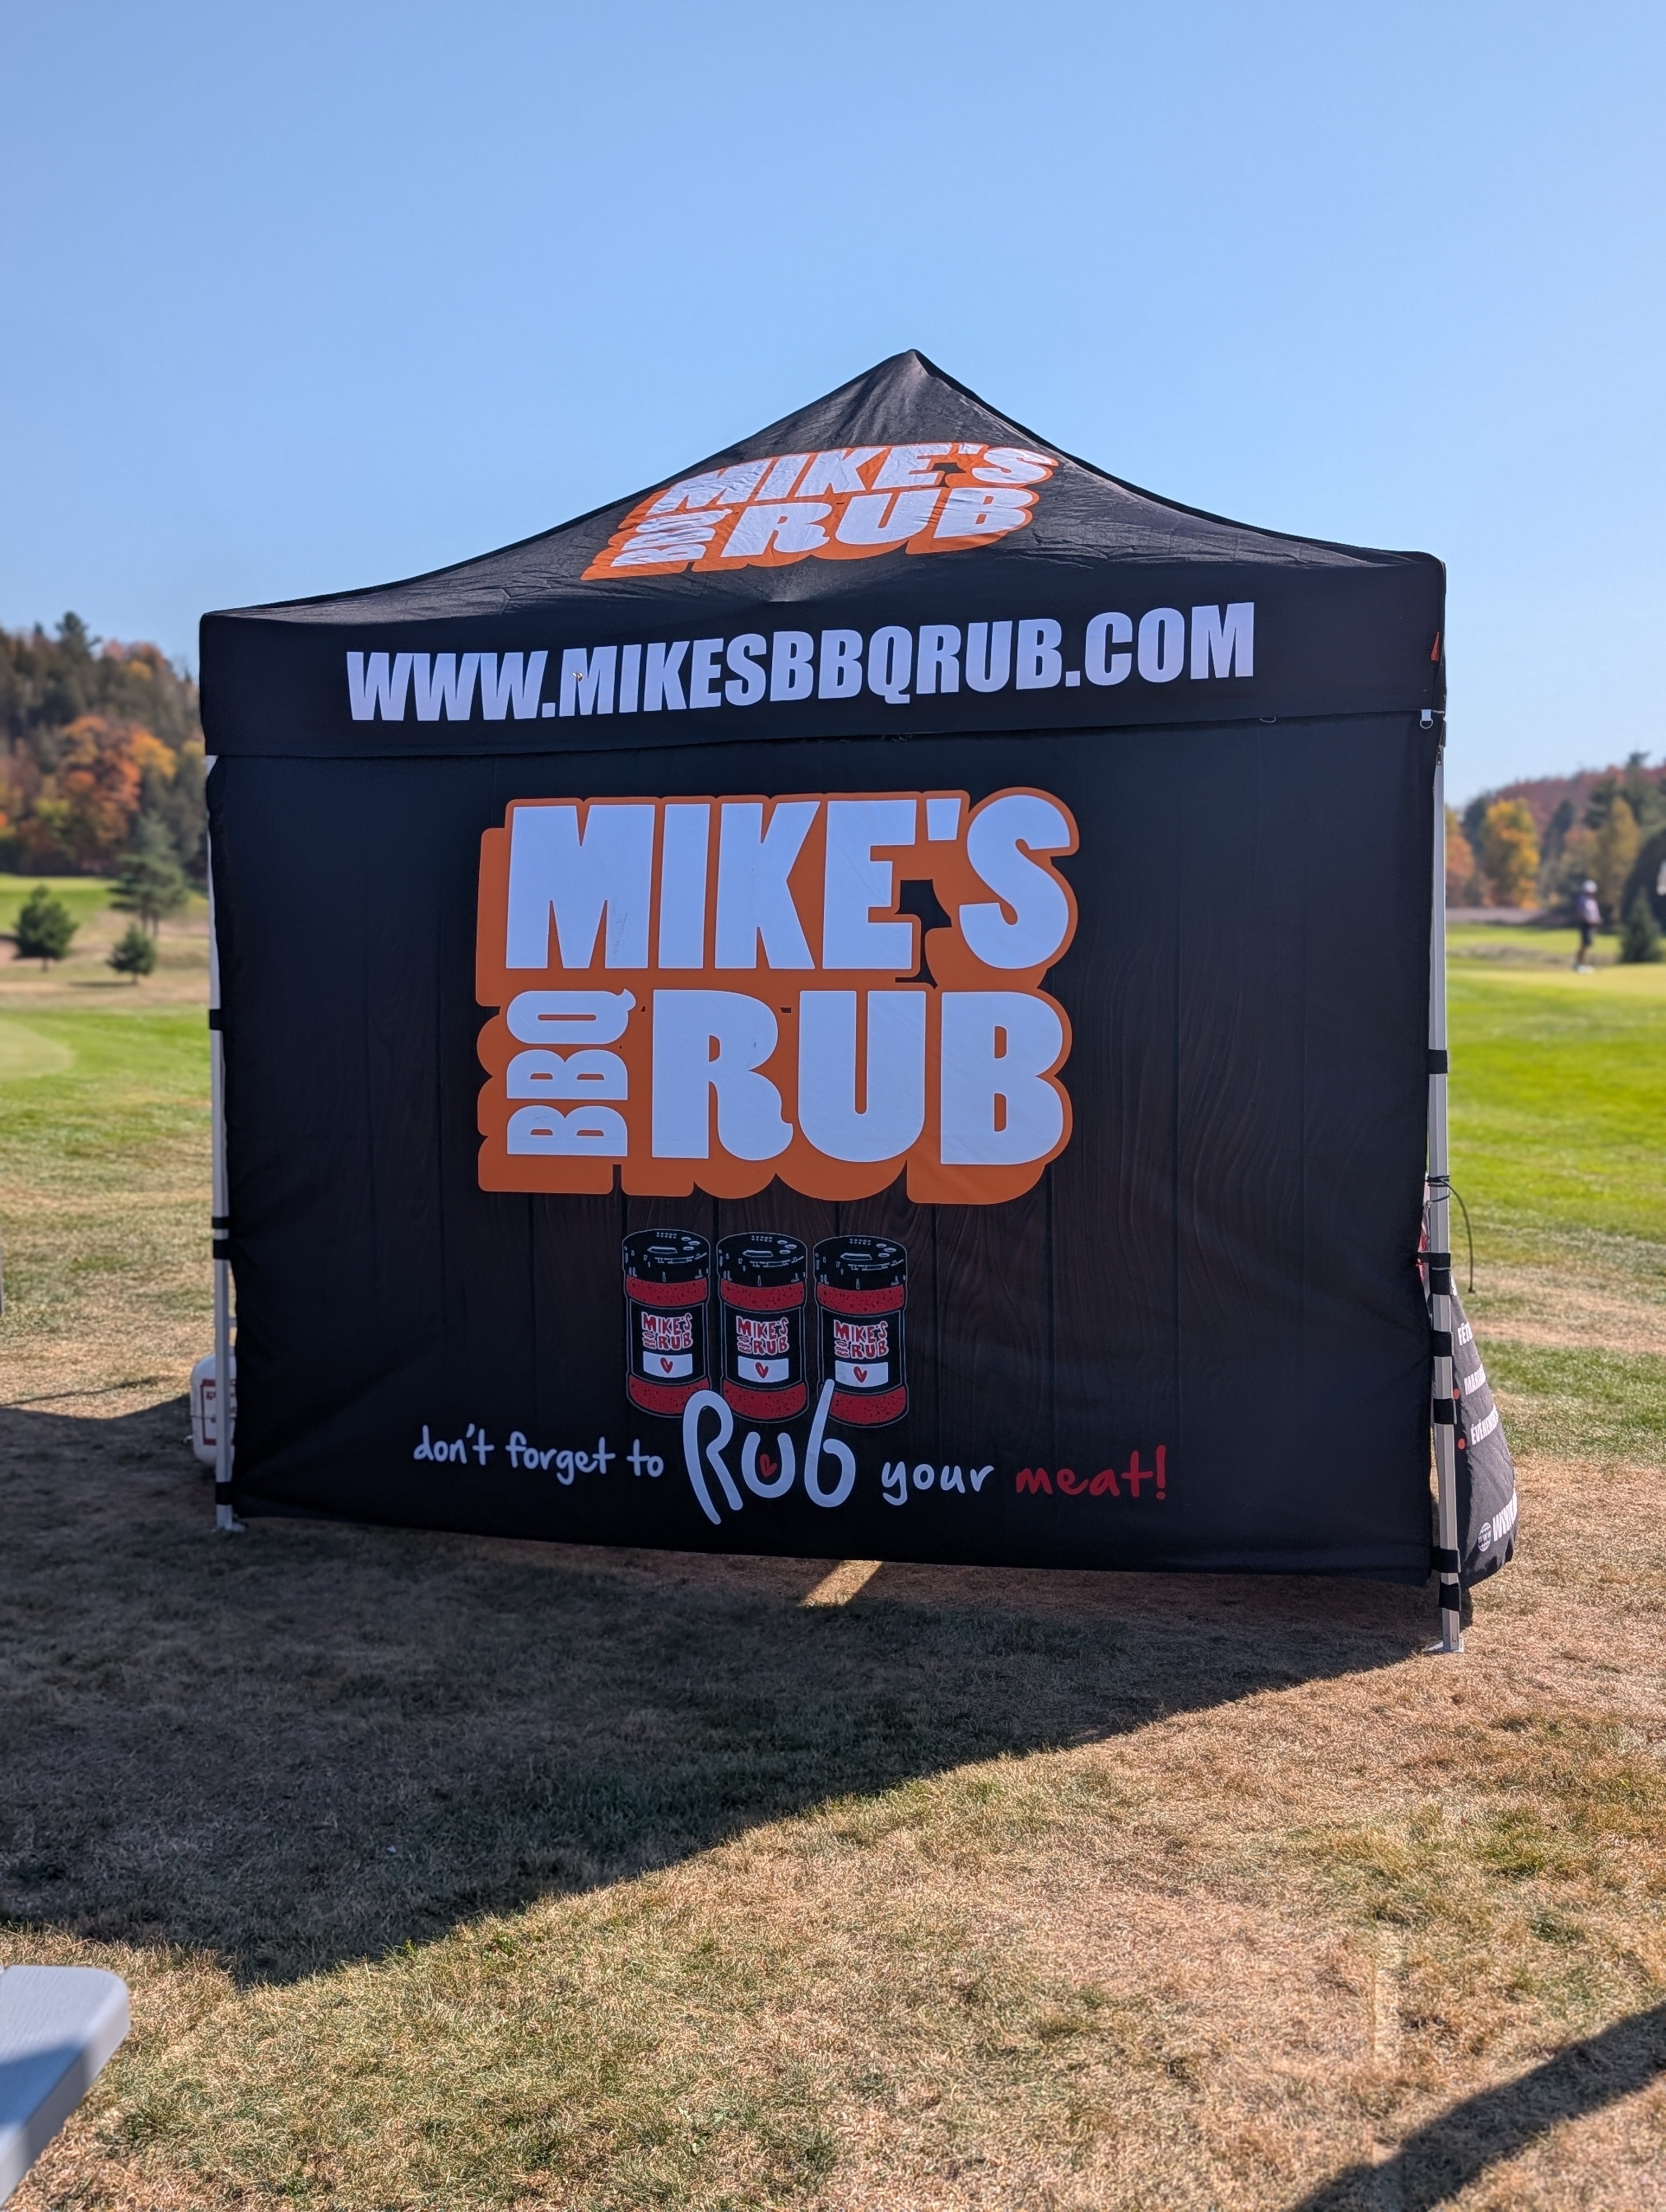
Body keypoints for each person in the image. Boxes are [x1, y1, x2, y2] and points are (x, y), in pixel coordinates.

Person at [1574, 878, 1601, 972]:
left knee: (1589, 945)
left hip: (1592, 925)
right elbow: (1580, 913)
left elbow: (1595, 913)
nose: (1590, 893)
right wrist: (1588, 920)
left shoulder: (1593, 901)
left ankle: (1585, 964)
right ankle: (1579, 964)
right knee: (1584, 944)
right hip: (1585, 925)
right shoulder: (1583, 900)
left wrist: (1597, 920)